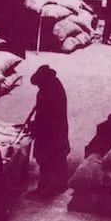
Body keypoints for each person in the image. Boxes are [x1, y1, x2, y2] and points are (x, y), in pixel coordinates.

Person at [28, 65, 70, 197]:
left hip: (50, 131)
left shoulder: (48, 93)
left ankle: (47, 187)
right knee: (58, 157)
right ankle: (59, 184)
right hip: (58, 128)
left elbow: (44, 117)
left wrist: (34, 127)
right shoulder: (54, 85)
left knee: (47, 159)